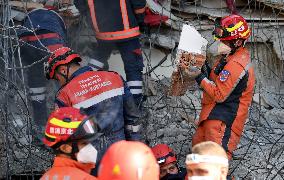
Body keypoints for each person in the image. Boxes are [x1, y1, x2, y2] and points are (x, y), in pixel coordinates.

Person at [44, 46, 142, 169]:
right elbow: (133, 119)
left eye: (57, 78)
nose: (59, 83)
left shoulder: (64, 95)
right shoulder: (114, 77)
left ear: (63, 70)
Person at [192, 14, 255, 159]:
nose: (220, 43)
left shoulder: (237, 64)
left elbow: (219, 94)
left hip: (224, 122)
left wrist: (199, 77)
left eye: (224, 41)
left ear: (238, 42)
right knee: (198, 152)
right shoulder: (228, 57)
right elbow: (217, 79)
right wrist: (205, 70)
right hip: (212, 116)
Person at [71, 0, 146, 106]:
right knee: (133, 67)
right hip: (127, 31)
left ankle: (82, 94)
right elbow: (139, 4)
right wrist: (141, 21)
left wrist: (90, 17)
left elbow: (79, 2)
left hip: (102, 31)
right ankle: (135, 105)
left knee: (97, 59)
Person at [18, 8, 66, 134]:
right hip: (50, 40)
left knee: (36, 82)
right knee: (62, 80)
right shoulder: (56, 22)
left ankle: (40, 124)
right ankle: (65, 121)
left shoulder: (30, 18)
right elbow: (64, 45)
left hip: (26, 40)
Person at [41, 107, 100, 180]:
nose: (91, 147)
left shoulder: (45, 177)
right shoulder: (85, 178)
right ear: (65, 148)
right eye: (84, 143)